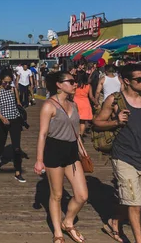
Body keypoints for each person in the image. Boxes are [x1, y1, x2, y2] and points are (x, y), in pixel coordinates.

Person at [93, 63, 141, 243]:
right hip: (123, 156)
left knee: (136, 199)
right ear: (127, 81)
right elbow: (97, 123)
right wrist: (116, 122)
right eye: (139, 79)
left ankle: (113, 221)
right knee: (135, 204)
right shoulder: (114, 100)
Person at [34, 71, 88, 243]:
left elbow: (77, 132)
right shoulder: (49, 106)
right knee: (56, 195)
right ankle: (58, 233)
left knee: (82, 195)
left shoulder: (74, 105)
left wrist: (82, 149)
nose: (74, 84)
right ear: (59, 84)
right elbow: (42, 134)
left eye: (75, 81)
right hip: (54, 151)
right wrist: (39, 160)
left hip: (72, 151)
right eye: (71, 81)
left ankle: (68, 221)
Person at [0, 69, 26, 182]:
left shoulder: (13, 89)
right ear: (1, 80)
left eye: (9, 82)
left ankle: (18, 171)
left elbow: (18, 103)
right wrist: (2, 118)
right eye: (5, 82)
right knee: (1, 143)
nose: (7, 84)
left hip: (15, 120)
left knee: (16, 147)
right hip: (2, 121)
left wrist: (22, 113)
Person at [73, 71, 95, 138]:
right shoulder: (88, 86)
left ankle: (75, 135)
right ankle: (80, 136)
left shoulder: (75, 85)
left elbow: (71, 94)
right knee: (83, 122)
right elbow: (91, 96)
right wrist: (96, 102)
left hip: (75, 102)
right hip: (85, 103)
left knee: (75, 121)